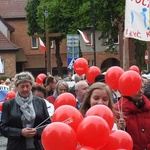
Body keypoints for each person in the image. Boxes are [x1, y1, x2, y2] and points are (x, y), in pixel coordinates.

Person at [0, 71, 51, 150]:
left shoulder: (40, 102)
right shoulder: (8, 104)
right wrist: (20, 132)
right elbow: (3, 128)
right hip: (16, 147)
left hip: (37, 146)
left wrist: (37, 131)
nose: (25, 89)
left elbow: (48, 124)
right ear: (17, 87)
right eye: (22, 86)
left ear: (31, 86)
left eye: (27, 86)